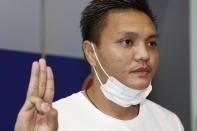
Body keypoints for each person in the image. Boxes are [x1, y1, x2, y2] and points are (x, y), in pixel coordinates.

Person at [14, 0, 184, 130]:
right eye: (127, 41)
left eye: (151, 43)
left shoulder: (168, 122)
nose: (144, 54)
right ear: (90, 52)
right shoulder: (54, 120)